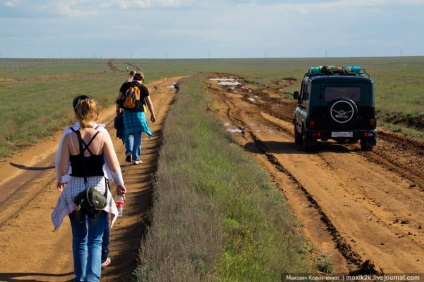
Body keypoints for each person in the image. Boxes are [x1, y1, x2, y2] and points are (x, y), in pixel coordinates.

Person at [52, 97, 126, 281]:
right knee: (95, 240)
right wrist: (120, 183)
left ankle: (80, 279)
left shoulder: (69, 136)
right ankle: (92, 279)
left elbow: (62, 169)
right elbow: (114, 164)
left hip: (75, 191)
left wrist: (60, 180)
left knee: (79, 240)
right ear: (96, 115)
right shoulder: (102, 135)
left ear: (76, 114)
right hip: (98, 192)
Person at [116, 71, 156, 165]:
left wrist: (118, 112)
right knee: (137, 134)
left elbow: (118, 100)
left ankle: (129, 152)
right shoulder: (143, 88)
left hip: (126, 113)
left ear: (133, 78)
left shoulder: (125, 86)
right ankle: (136, 158)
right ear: (142, 79)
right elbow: (149, 103)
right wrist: (152, 114)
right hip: (139, 114)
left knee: (128, 133)